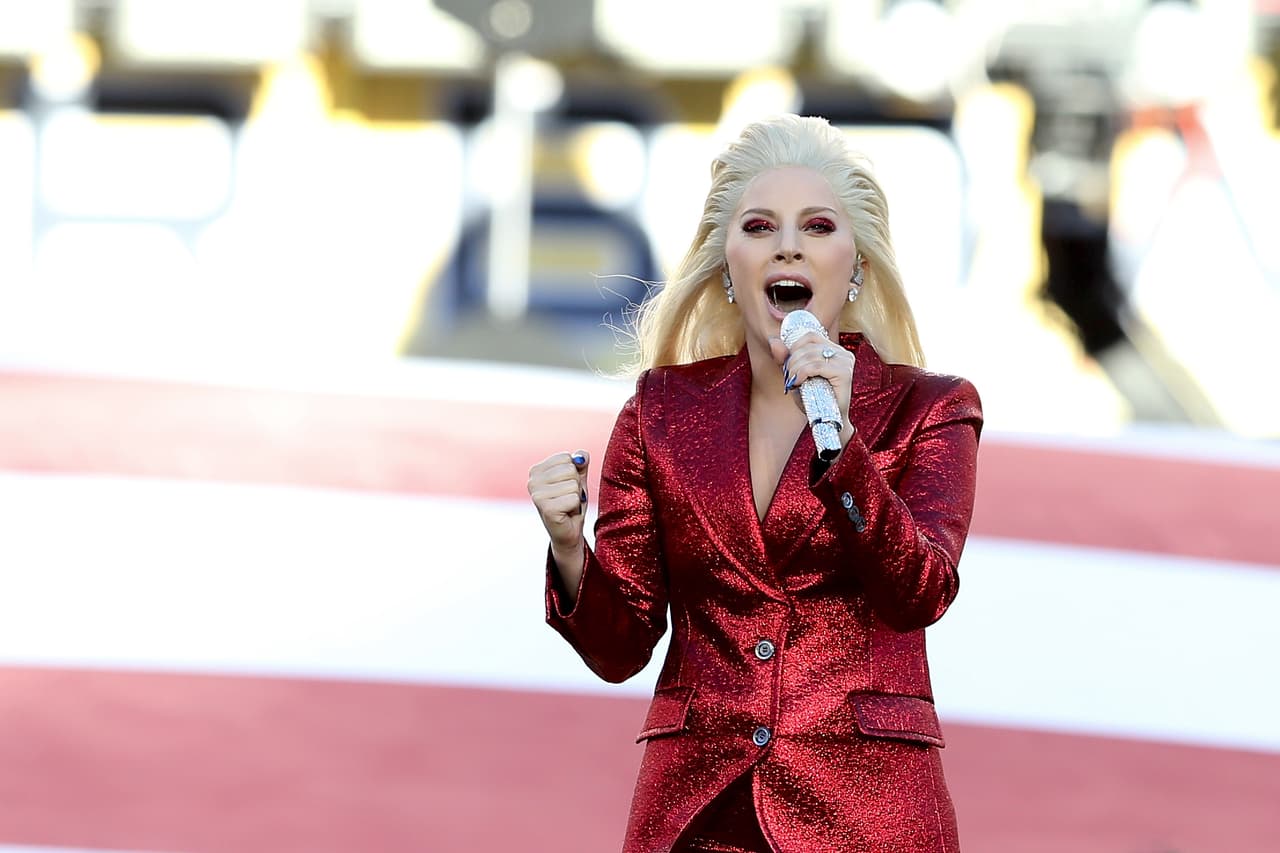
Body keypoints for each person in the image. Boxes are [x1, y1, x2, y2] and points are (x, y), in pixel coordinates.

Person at [527, 114, 982, 853]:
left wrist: (848, 446)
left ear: (856, 264)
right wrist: (569, 548)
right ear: (728, 264)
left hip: (868, 816)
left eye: (819, 225)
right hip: (697, 810)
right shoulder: (661, 412)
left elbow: (920, 591)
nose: (789, 244)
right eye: (762, 225)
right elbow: (622, 648)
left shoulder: (930, 408)